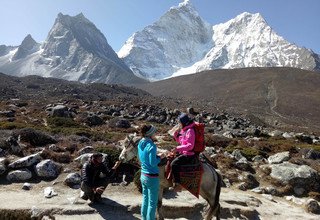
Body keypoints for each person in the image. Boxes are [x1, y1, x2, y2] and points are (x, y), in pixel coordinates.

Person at [138, 124, 164, 220]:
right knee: (152, 203)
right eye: (155, 132)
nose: (156, 134)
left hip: (143, 175)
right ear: (151, 134)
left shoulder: (141, 142)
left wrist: (155, 157)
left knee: (145, 199)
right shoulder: (152, 146)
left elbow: (143, 158)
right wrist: (160, 158)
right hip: (152, 177)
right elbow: (153, 163)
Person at [170, 113, 197, 191]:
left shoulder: (190, 131)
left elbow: (190, 146)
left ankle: (177, 184)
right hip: (184, 152)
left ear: (184, 122)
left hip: (189, 154)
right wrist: (175, 135)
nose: (179, 124)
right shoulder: (185, 130)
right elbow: (182, 142)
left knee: (174, 164)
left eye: (179, 122)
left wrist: (177, 148)